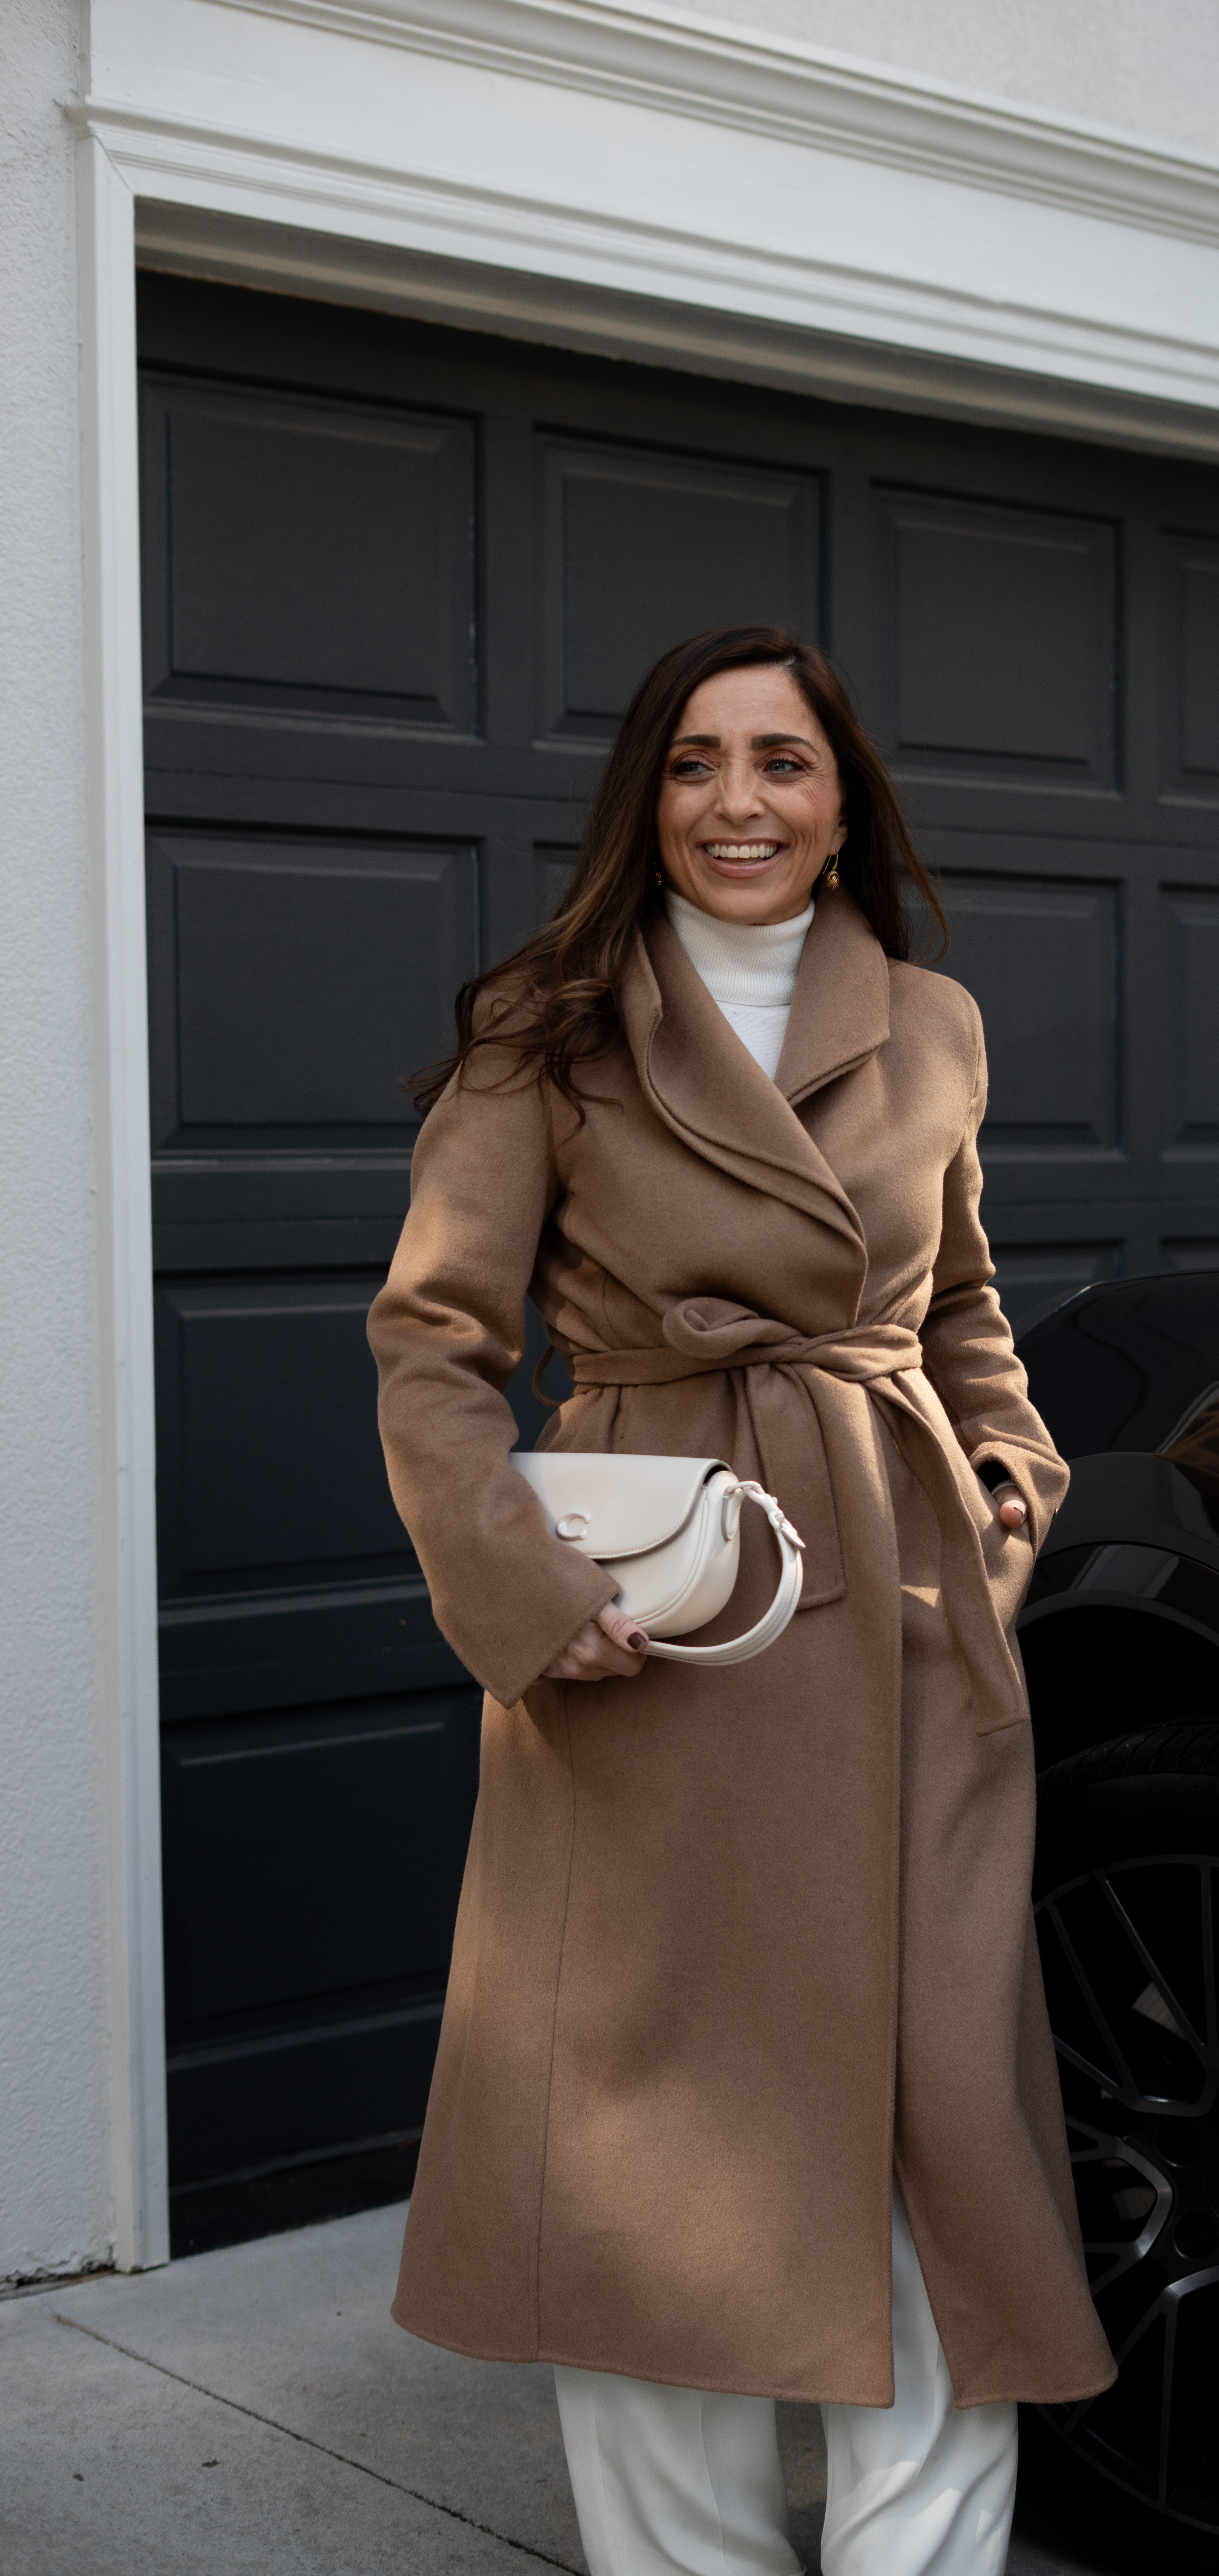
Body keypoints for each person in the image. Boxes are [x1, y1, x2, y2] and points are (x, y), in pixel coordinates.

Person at [367, 622, 1114, 2576]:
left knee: (938, 2148)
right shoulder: (549, 1026)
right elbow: (434, 1347)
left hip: (906, 1632)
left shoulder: (932, 1023)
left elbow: (961, 1311)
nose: (739, 802)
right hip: (655, 1648)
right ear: (648, 795)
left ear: (842, 793)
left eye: (781, 761)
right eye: (696, 763)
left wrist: (1010, 1501)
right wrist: (528, 1598)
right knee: (654, 2182)